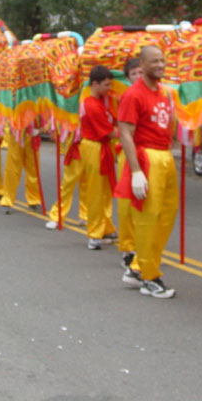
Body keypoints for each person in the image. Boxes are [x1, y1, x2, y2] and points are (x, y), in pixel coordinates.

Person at [114, 45, 178, 298]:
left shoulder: (164, 92)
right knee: (148, 220)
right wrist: (136, 171)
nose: (160, 65)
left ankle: (139, 267)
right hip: (147, 158)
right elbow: (126, 134)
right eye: (154, 61)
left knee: (166, 217)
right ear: (142, 65)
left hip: (165, 156)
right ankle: (149, 277)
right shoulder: (133, 95)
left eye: (162, 60)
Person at [77, 66, 119, 250]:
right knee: (96, 191)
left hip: (102, 147)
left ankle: (105, 226)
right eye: (106, 85)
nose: (109, 88)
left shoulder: (102, 101)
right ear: (95, 84)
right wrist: (130, 132)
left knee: (105, 190)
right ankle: (94, 233)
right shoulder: (92, 104)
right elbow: (109, 132)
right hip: (94, 148)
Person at [116, 57, 143, 279]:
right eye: (134, 73)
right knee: (127, 205)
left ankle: (144, 250)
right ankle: (128, 248)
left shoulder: (159, 94)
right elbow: (124, 132)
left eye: (141, 72)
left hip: (151, 157)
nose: (138, 77)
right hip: (130, 156)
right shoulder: (127, 97)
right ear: (128, 77)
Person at [0, 119, 43, 214]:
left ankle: (34, 200)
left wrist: (39, 131)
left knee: (33, 171)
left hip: (32, 139)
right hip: (16, 137)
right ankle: (7, 199)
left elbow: (45, 122)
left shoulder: (39, 109)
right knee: (12, 170)